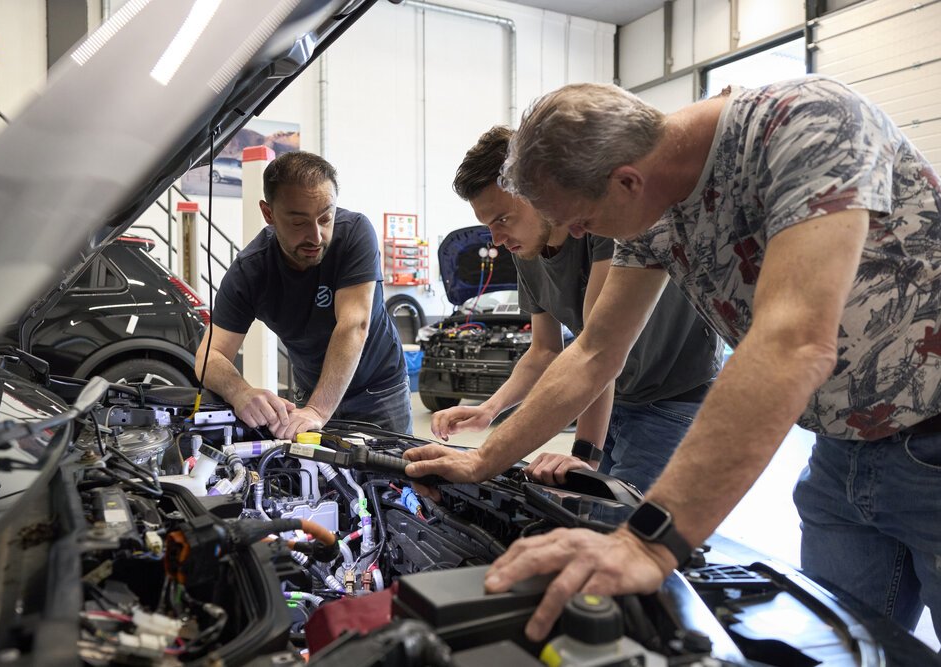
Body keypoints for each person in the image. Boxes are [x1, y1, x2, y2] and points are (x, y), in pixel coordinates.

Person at [405, 76, 941, 642]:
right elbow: (593, 350)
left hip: (932, 440)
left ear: (626, 181)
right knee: (844, 650)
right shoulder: (653, 205)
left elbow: (793, 342)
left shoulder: (807, 122)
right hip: (840, 455)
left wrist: (647, 538)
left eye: (582, 220)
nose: (581, 235)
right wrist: (481, 460)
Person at [435, 125, 720, 490]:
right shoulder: (527, 250)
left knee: (626, 532)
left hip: (672, 400)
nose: (497, 239)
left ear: (534, 190)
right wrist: (490, 409)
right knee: (594, 520)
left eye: (503, 219)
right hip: (612, 400)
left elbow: (596, 349)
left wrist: (584, 455)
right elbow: (544, 351)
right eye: (488, 225)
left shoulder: (599, 225)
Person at [196, 151, 412, 439]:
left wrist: (318, 411)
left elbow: (353, 325)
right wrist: (241, 392)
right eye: (299, 222)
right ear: (268, 214)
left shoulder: (354, 234)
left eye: (325, 218)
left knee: (395, 481)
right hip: (311, 392)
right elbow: (209, 356)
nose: (316, 236)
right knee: (315, 479)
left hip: (377, 389)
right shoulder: (252, 270)